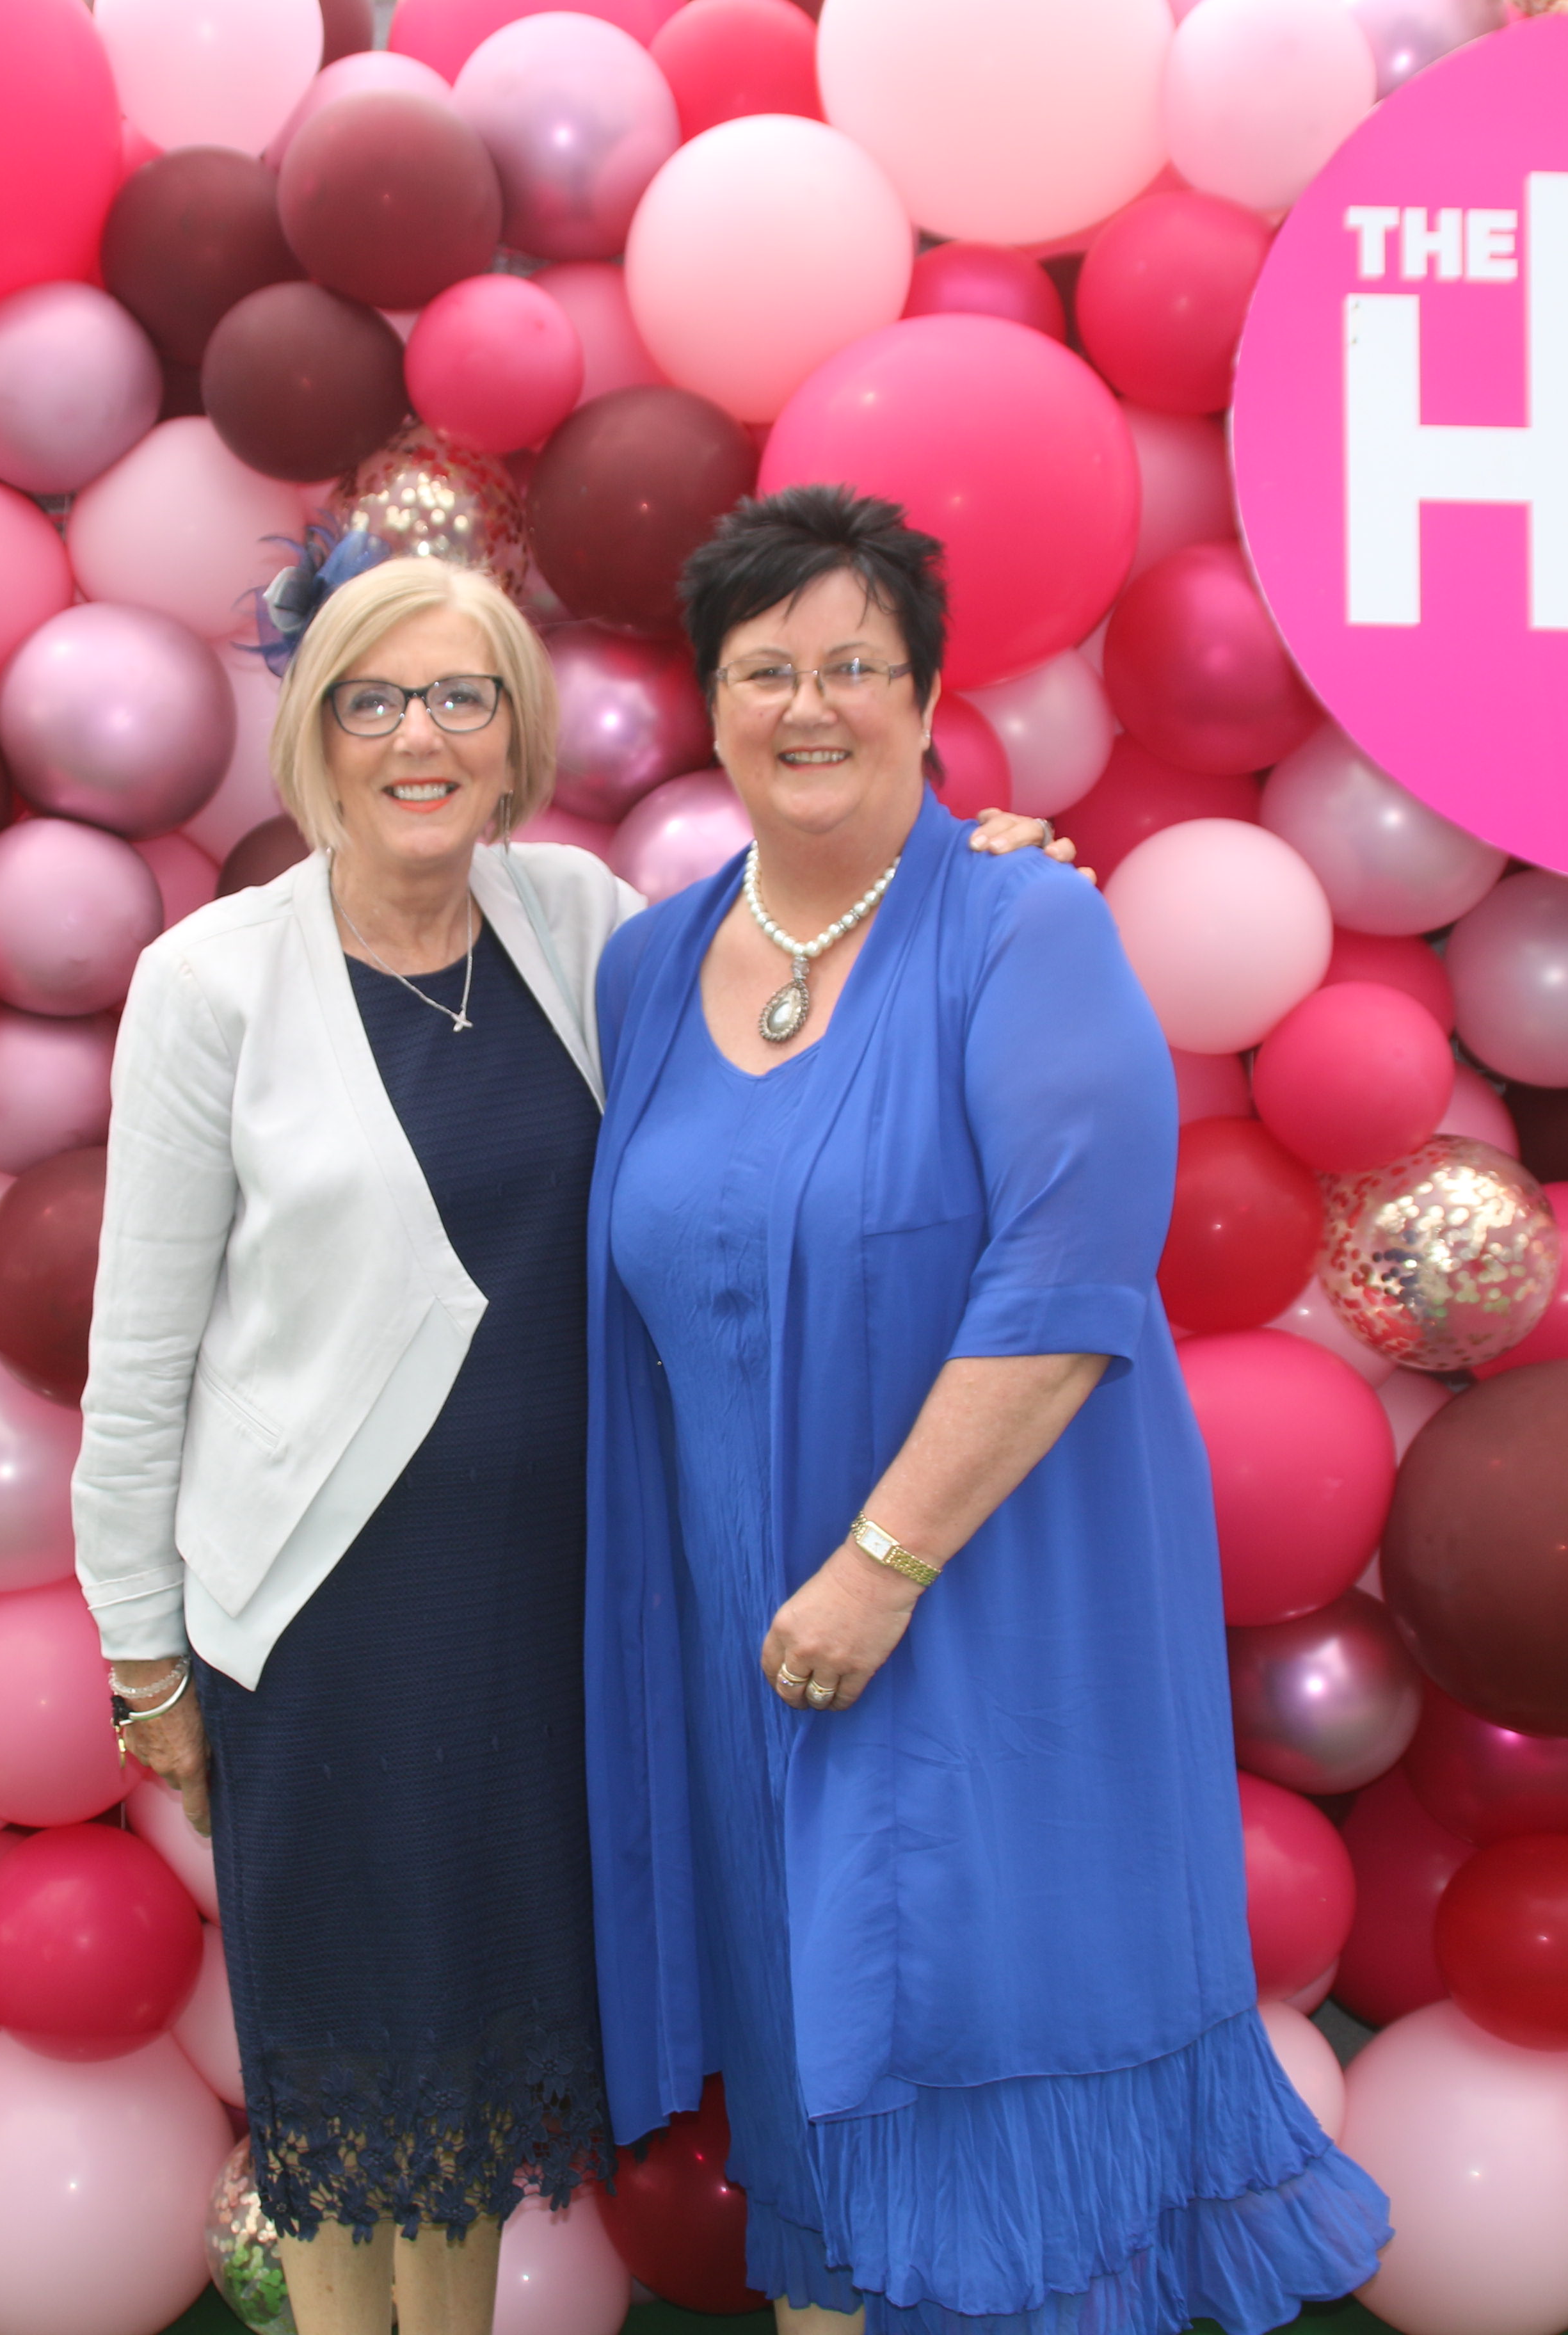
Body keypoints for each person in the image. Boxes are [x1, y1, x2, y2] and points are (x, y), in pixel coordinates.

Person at [72, 547, 1071, 2335]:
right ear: (316, 734)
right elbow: (139, 1357)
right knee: (347, 2069)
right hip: (327, 1621)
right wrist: (144, 1657)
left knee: (471, 2062)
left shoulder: (582, 921)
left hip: (557, 1609)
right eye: (375, 701)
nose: (420, 738)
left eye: (462, 697)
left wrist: (972, 885)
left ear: (517, 732)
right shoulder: (210, 981)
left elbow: (801, 969)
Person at [581, 486, 1392, 2335]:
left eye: (854, 664)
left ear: (929, 696)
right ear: (710, 703)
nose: (809, 705)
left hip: (979, 1616)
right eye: (765, 668)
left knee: (987, 2094)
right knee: (818, 2130)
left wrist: (879, 1567)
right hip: (742, 1648)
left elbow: (1069, 1276)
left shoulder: (1027, 928)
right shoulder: (643, 968)